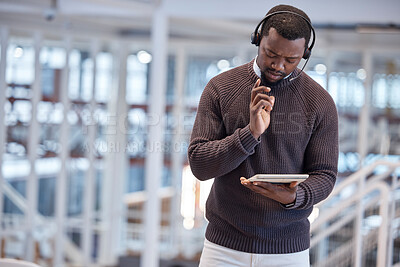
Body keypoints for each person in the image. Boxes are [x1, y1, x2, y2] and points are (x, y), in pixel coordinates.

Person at [187, 4, 339, 267]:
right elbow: (200, 164)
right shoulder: (221, 88)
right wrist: (250, 133)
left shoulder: (319, 102)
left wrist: (294, 197)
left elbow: (325, 175)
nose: (278, 65)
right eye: (271, 53)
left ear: (305, 54)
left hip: (288, 252)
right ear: (258, 39)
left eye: (291, 60)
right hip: (222, 249)